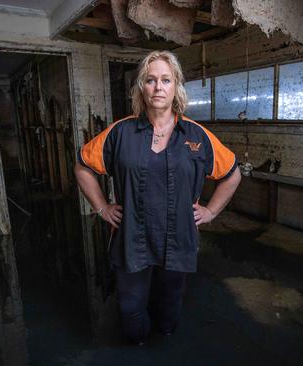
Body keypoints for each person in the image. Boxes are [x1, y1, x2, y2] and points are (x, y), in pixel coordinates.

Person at [74, 50, 241, 345]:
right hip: (131, 238)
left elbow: (232, 173)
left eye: (166, 79)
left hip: (177, 239)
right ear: (142, 87)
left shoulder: (197, 136)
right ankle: (137, 344)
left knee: (168, 308)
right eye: (150, 80)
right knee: (130, 308)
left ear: (176, 86)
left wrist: (211, 211)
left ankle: (162, 339)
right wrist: (101, 207)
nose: (158, 87)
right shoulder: (120, 132)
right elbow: (83, 166)